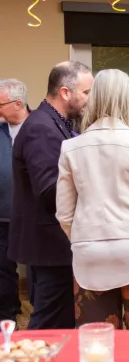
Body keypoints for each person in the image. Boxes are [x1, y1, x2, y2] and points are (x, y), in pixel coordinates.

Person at [55, 69, 129, 332]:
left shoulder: (71, 148)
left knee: (97, 339)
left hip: (89, 254)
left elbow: (63, 214)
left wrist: (83, 240)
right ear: (128, 100)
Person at [9, 61, 93, 329]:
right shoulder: (42, 128)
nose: (89, 100)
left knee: (61, 319)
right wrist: (92, 182)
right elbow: (50, 191)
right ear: (66, 92)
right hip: (51, 244)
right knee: (50, 323)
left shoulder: (55, 122)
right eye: (86, 92)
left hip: (54, 243)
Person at [0, 79, 29, 321]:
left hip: (34, 216)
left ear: (17, 104)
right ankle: (7, 318)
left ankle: (43, 321)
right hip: (3, 215)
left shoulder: (39, 128)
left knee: (38, 271)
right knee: (3, 269)